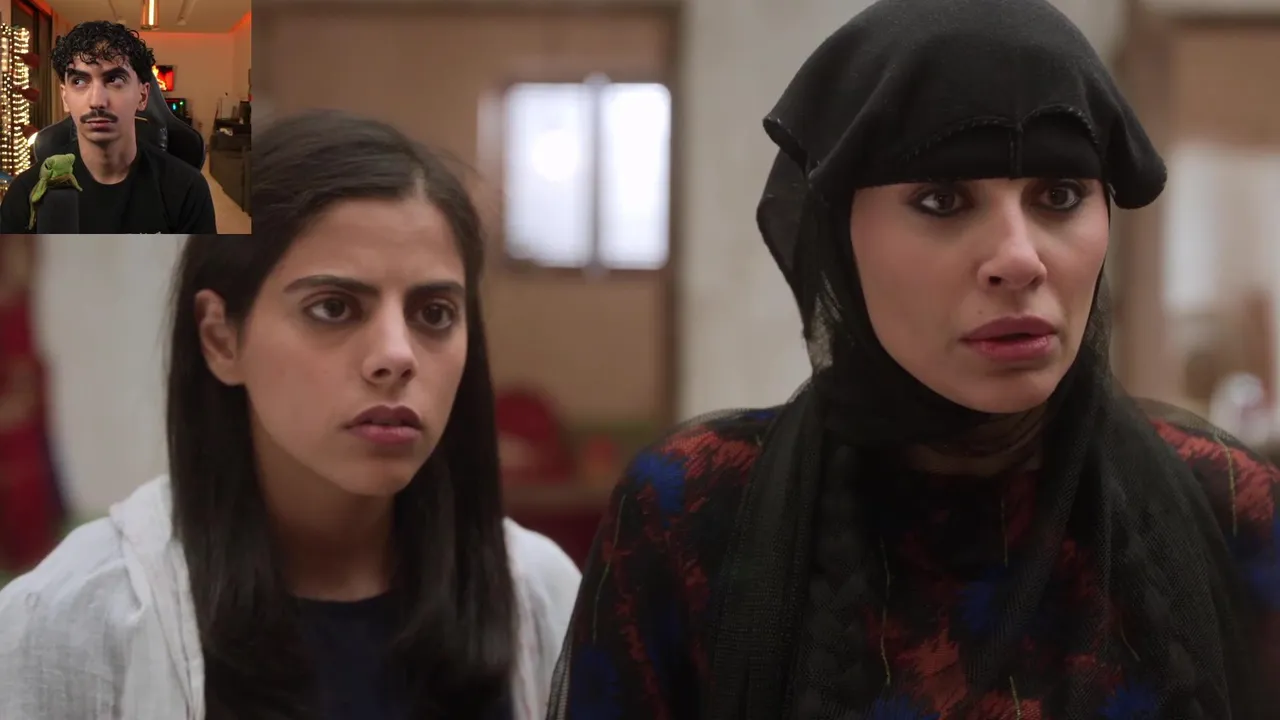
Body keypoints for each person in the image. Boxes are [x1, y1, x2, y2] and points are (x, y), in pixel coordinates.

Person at [547, 1, 1279, 718]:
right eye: (943, 201)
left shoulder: (1232, 509)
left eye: (1059, 196)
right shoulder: (693, 513)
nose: (1019, 259)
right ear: (842, 236)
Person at [0, 110, 581, 719]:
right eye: (333, 307)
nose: (397, 356)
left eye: (434, 313)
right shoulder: (76, 621)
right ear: (221, 338)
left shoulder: (539, 595)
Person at [0, 21, 216, 234]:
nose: (97, 101)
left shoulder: (187, 189)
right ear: (65, 97)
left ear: (143, 96)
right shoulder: (26, 193)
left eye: (114, 79)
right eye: (79, 81)